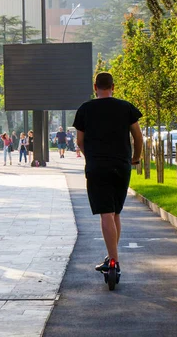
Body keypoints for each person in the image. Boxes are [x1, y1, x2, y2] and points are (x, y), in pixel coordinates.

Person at [73, 72, 143, 279]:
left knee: (106, 213)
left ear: (95, 87)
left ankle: (113, 261)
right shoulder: (126, 107)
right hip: (121, 165)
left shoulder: (85, 109)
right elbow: (138, 137)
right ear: (114, 86)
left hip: (97, 166)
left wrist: (90, 157)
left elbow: (79, 141)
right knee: (115, 212)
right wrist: (135, 158)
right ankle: (112, 257)